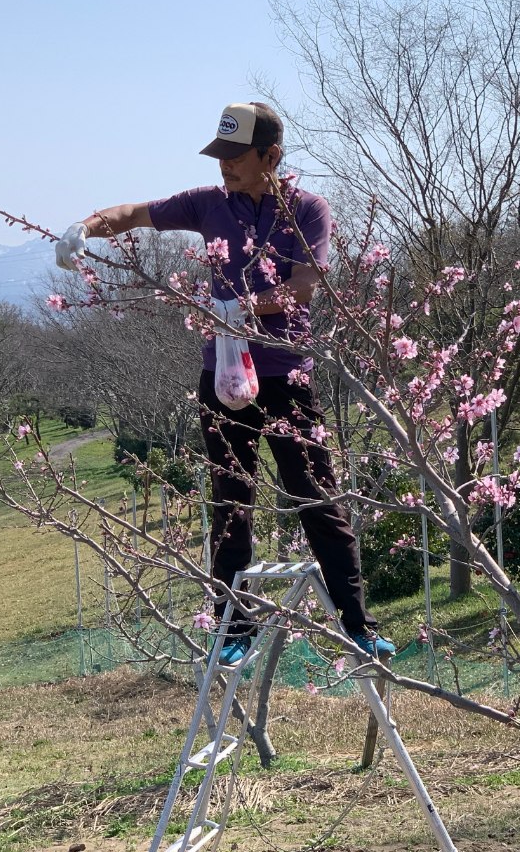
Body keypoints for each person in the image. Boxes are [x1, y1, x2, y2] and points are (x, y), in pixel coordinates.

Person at [54, 101, 393, 665]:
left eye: (235, 156)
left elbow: (305, 284)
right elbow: (137, 213)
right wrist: (82, 229)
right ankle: (235, 628)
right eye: (220, 155)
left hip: (286, 374)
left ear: (271, 156)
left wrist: (242, 308)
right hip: (222, 376)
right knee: (230, 500)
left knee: (318, 497)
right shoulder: (208, 205)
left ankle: (357, 623)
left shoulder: (308, 210)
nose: (225, 166)